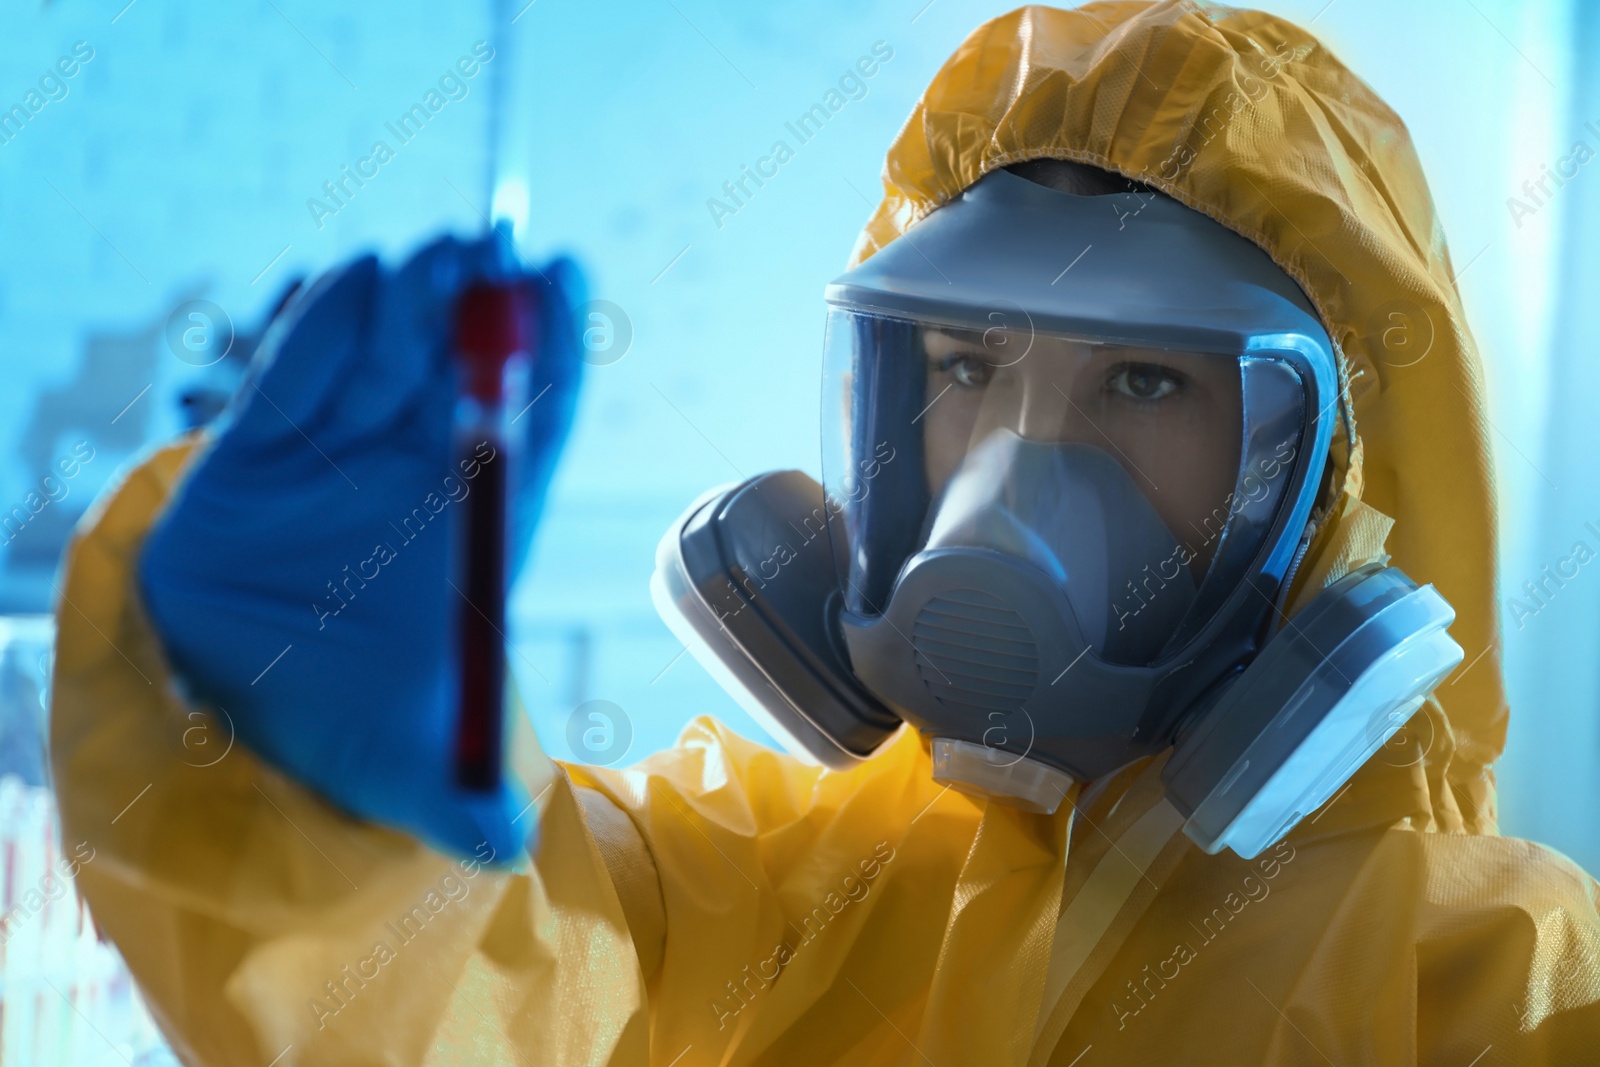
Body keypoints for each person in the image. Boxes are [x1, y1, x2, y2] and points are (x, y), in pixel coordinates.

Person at [49, 4, 1600, 1064]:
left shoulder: (1484, 980)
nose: (1012, 458)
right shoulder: (750, 886)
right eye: (965, 367)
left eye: (1144, 380)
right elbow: (470, 991)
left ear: (1318, 473)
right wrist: (312, 777)